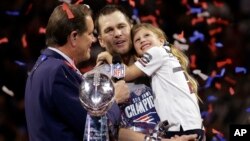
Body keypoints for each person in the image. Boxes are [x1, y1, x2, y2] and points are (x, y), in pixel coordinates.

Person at [24, 3, 129, 141]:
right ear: (74, 37)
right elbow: (94, 129)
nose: (93, 40)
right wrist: (113, 99)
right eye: (90, 33)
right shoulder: (58, 72)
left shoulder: (43, 66)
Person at [94, 4, 199, 141]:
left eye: (121, 26)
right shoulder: (95, 80)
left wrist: (110, 58)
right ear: (101, 40)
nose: (118, 34)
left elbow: (125, 74)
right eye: (109, 30)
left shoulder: (155, 65)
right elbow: (98, 128)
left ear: (131, 27)